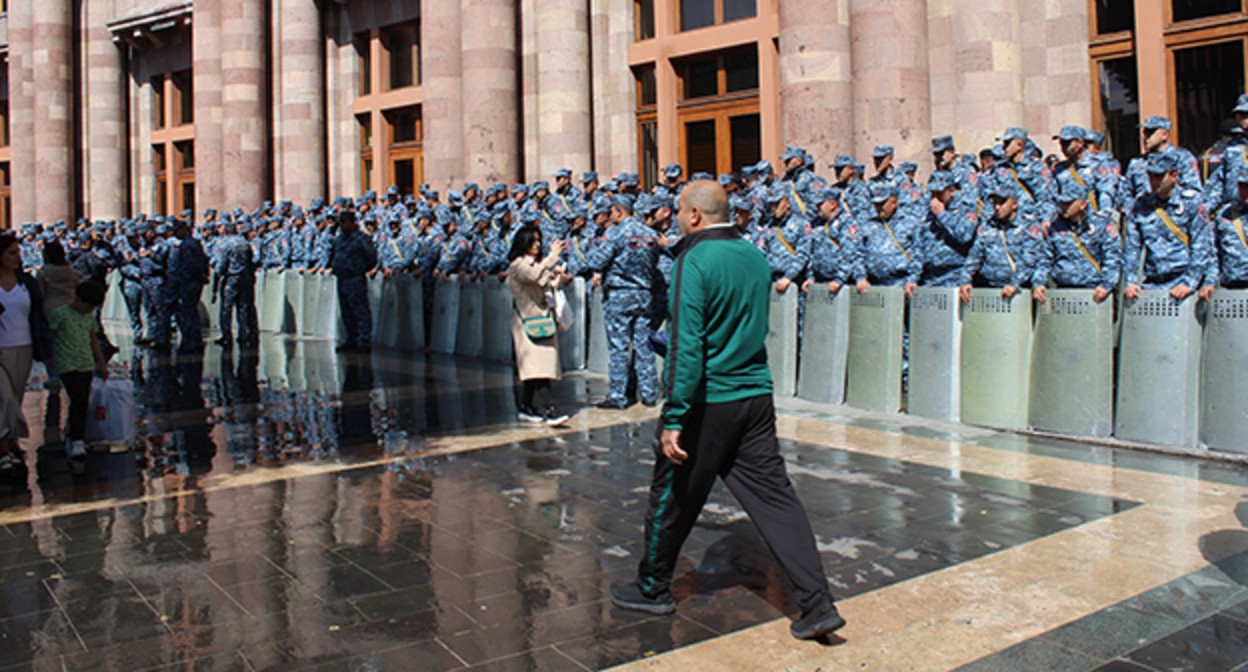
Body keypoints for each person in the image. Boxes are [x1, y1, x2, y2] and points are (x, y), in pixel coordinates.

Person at [609, 180, 845, 642]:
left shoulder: (692, 259)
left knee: (670, 499)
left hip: (707, 401)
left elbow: (686, 344)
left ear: (695, 215)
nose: (675, 219)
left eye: (679, 211)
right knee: (778, 501)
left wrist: (674, 415)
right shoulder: (754, 255)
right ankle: (817, 603)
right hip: (754, 396)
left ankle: (652, 587)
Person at [0, 234, 53, 476]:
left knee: (15, 397)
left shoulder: (26, 282)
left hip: (23, 346)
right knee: (4, 399)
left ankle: (10, 442)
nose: (17, 257)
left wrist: (46, 349)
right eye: (11, 253)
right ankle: (3, 448)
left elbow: (37, 315)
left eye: (18, 252)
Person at [507, 225, 570, 426]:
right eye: (533, 241)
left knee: (536, 366)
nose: (537, 244)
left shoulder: (535, 264)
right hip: (527, 321)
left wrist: (556, 278)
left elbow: (543, 281)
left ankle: (525, 406)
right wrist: (552, 257)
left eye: (538, 240)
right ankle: (550, 409)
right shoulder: (518, 265)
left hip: (542, 319)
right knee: (538, 366)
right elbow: (533, 276)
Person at [47, 282, 109, 459]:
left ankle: (73, 432)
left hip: (85, 364)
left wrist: (101, 363)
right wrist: (50, 356)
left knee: (83, 400)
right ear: (78, 299)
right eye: (88, 306)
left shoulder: (88, 318)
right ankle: (77, 439)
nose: (89, 310)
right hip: (67, 364)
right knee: (79, 399)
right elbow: (50, 335)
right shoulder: (61, 315)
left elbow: (93, 340)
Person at [330, 209, 378, 353]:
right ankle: (351, 338)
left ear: (352, 222)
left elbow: (371, 257)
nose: (342, 226)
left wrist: (359, 268)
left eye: (344, 222)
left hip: (354, 278)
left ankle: (364, 340)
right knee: (346, 311)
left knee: (360, 310)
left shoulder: (361, 239)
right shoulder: (339, 239)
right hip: (342, 278)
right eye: (340, 223)